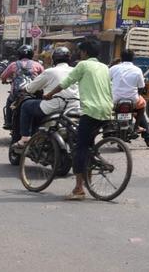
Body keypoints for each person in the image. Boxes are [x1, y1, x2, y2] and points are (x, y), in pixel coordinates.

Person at [44, 38, 112, 201]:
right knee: (89, 144)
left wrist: (50, 94)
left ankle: (78, 189)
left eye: (80, 51)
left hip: (90, 110)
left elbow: (66, 82)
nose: (79, 54)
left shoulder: (83, 65)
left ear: (85, 52)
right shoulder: (104, 67)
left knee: (80, 148)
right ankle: (88, 178)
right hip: (107, 109)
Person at [12, 47, 79, 148]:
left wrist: (24, 89)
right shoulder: (75, 71)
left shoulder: (50, 71)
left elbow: (30, 88)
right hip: (74, 106)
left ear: (53, 59)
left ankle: (25, 138)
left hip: (54, 105)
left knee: (26, 106)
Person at [109, 49, 149, 147]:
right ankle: (140, 130)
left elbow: (106, 81)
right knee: (142, 106)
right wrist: (138, 95)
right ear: (133, 58)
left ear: (121, 57)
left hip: (115, 99)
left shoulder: (113, 68)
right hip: (132, 100)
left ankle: (108, 129)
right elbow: (141, 87)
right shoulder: (137, 70)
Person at [1, 45, 43, 130]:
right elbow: (44, 77)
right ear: (31, 54)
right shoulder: (37, 65)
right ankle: (41, 122)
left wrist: (4, 81)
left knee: (9, 100)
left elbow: (3, 76)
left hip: (18, 93)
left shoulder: (13, 64)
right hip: (33, 92)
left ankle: (8, 122)